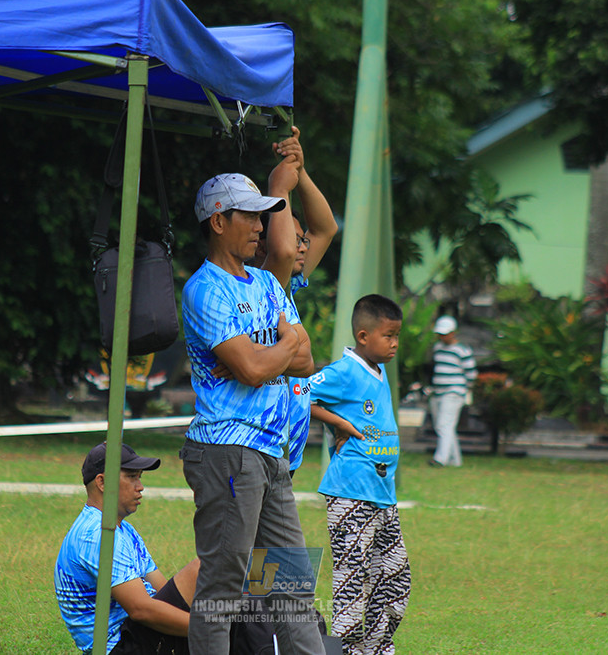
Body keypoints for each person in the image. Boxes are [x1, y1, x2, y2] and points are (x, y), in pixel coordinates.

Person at [179, 162, 325, 655]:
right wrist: (281, 349)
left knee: (293, 588)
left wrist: (275, 354)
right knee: (223, 589)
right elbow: (253, 368)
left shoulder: (264, 282)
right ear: (218, 221)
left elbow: (304, 361)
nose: (261, 227)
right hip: (226, 452)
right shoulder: (204, 289)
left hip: (270, 454)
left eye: (262, 217)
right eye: (250, 216)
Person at [309, 294, 412, 655]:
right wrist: (338, 423)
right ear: (364, 336)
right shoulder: (345, 370)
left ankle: (377, 648)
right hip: (351, 493)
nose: (395, 343)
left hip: (382, 494)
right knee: (355, 582)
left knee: (396, 579)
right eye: (389, 335)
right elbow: (297, 393)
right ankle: (348, 650)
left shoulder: (378, 370)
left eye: (398, 335)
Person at [55, 442, 199, 655]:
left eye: (139, 477)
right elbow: (140, 610)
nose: (140, 486)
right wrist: (210, 629)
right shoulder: (97, 535)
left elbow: (163, 589)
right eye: (132, 477)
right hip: (122, 644)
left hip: (139, 634)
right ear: (102, 482)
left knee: (228, 594)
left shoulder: (123, 529)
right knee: (205, 569)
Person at [252, 126, 339, 475]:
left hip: (286, 455)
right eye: (294, 238)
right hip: (261, 446)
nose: (302, 246)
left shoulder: (289, 285)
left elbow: (326, 229)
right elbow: (284, 250)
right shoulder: (262, 284)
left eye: (302, 240)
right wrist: (281, 187)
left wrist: (299, 171)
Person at [428, 315, 476, 468]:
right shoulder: (437, 348)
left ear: (453, 332)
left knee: (444, 425)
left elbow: (471, 374)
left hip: (454, 391)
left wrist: (463, 390)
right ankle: (455, 460)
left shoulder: (462, 350)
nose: (442, 337)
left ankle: (440, 459)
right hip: (438, 391)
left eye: (445, 333)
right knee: (444, 426)